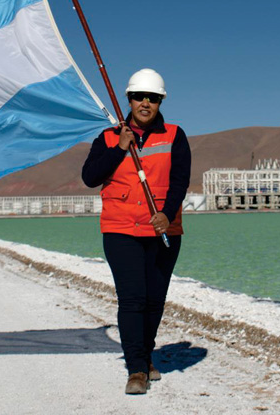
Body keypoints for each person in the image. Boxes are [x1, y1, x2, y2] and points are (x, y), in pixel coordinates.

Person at [81, 68, 191, 395]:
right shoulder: (109, 137)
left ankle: (145, 355)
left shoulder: (175, 135)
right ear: (128, 99)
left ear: (160, 102)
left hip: (163, 230)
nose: (146, 103)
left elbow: (179, 181)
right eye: (140, 97)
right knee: (133, 300)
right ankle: (137, 370)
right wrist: (119, 148)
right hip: (121, 230)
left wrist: (167, 214)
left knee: (155, 300)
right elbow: (89, 177)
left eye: (153, 98)